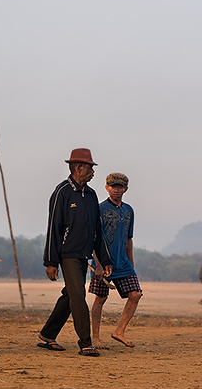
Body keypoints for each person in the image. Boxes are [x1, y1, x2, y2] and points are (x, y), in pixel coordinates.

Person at [38, 148, 112, 357]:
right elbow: (54, 227)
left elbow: (97, 230)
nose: (93, 172)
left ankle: (47, 333)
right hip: (67, 253)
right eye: (90, 168)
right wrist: (51, 261)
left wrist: (104, 259)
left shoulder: (91, 194)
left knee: (70, 294)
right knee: (78, 294)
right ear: (78, 168)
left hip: (83, 253)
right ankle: (85, 343)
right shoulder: (62, 192)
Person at [89, 172, 143, 349]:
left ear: (125, 189)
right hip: (103, 262)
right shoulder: (99, 209)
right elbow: (93, 238)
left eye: (120, 187)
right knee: (101, 297)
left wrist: (131, 264)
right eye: (113, 187)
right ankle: (95, 338)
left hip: (123, 262)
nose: (116, 190)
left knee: (135, 294)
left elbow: (129, 239)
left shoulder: (128, 210)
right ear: (106, 188)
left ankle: (119, 331)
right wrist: (97, 264)